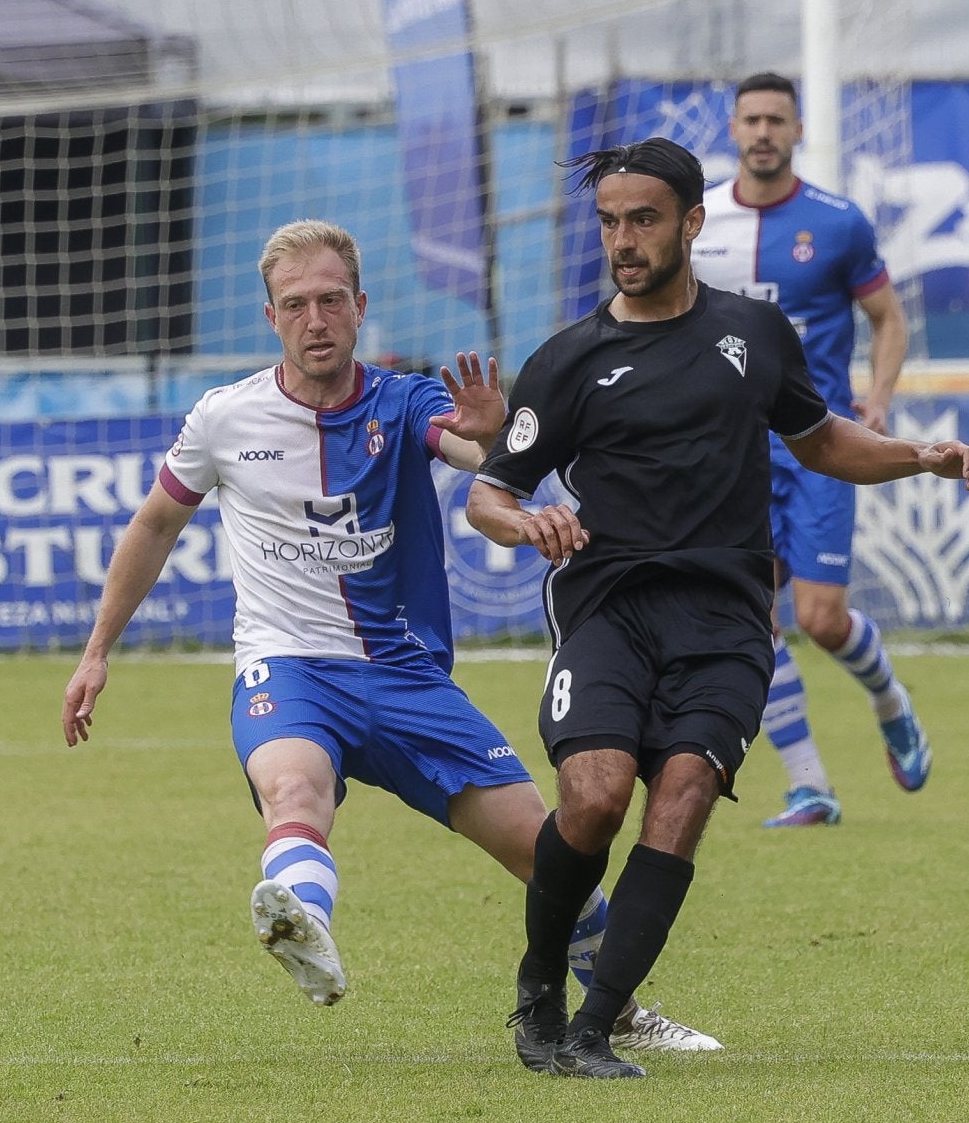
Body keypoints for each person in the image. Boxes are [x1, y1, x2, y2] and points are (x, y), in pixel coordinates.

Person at [60, 218, 719, 1064]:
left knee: (551, 851)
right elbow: (155, 522)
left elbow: (469, 445)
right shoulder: (224, 418)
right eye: (295, 304)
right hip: (288, 665)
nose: (316, 319)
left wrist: (493, 426)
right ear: (271, 318)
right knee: (295, 795)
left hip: (403, 676)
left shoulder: (402, 402)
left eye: (331, 299)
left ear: (360, 306)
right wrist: (96, 651)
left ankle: (619, 1007)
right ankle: (304, 924)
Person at [467, 139, 969, 1079]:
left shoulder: (752, 334)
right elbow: (490, 492)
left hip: (726, 616)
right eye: (610, 223)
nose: (623, 241)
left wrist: (919, 454)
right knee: (594, 799)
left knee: (680, 802)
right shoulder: (569, 358)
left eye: (643, 220)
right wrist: (526, 521)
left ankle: (595, 1025)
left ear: (691, 223)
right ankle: (540, 983)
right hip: (609, 608)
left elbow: (822, 438)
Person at [691, 72, 926, 828]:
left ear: (797, 132)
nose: (763, 132)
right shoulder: (699, 222)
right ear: (734, 129)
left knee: (823, 618)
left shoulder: (838, 222)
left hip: (818, 442)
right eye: (751, 119)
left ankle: (892, 702)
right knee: (753, 617)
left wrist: (880, 400)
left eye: (776, 121)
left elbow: (887, 319)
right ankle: (810, 786)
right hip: (732, 452)